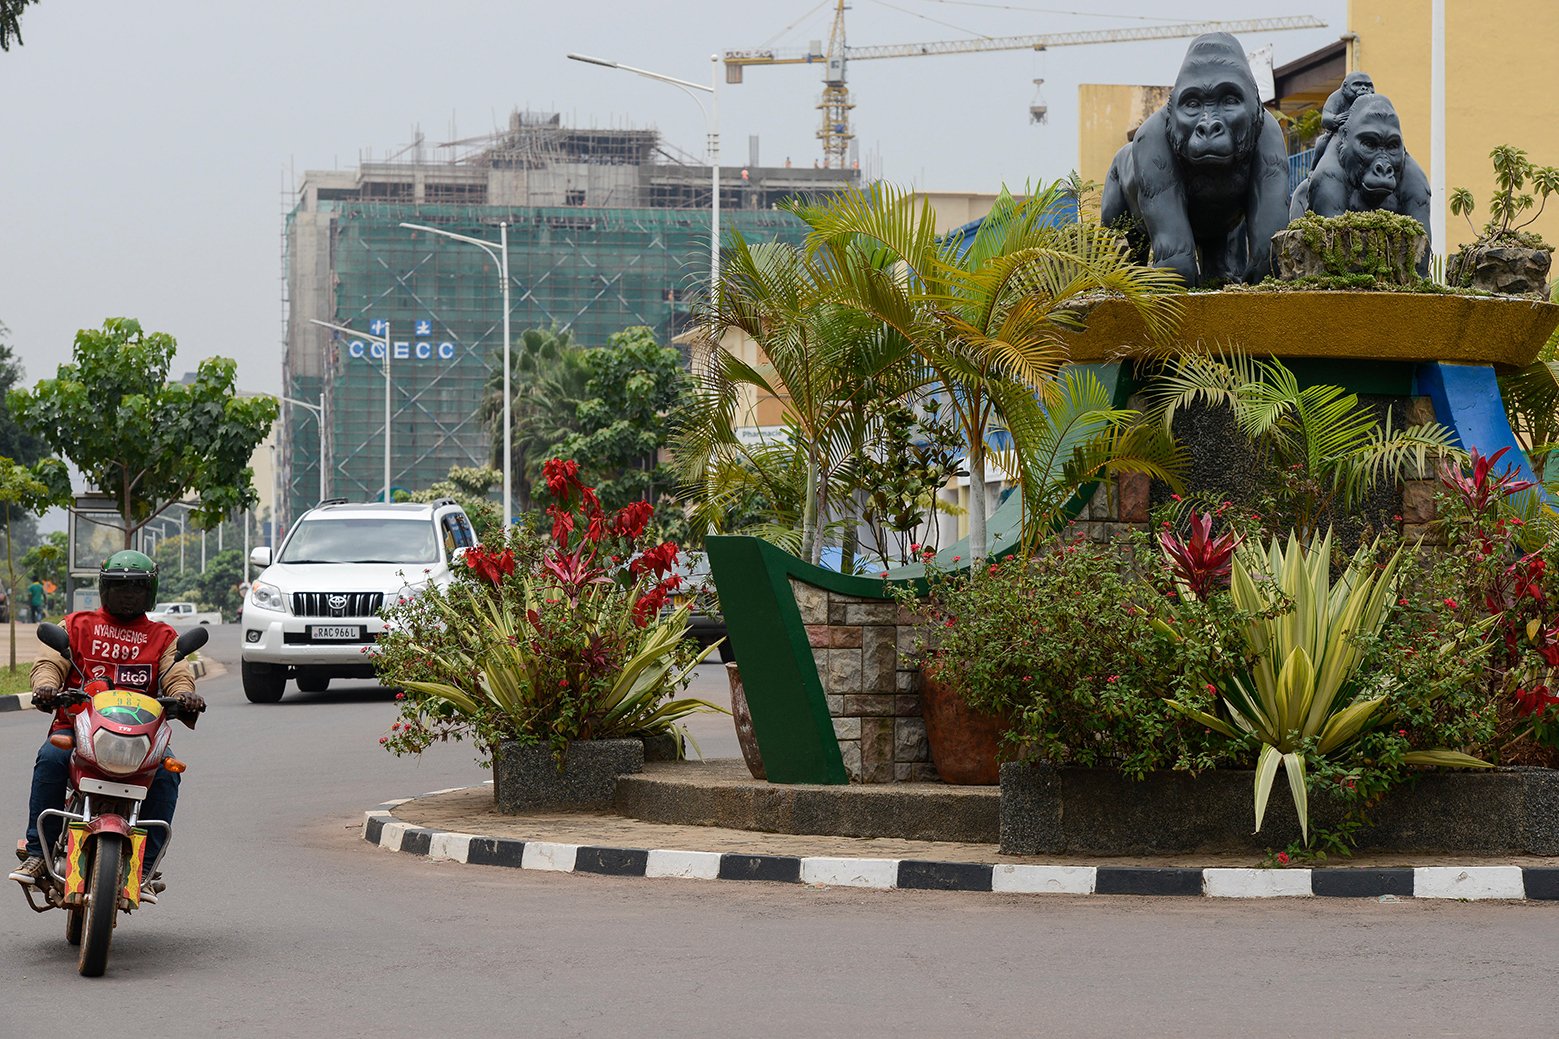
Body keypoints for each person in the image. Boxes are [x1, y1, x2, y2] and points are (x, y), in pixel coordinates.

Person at [8, 551, 204, 894]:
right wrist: (46, 686)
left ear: (151, 591)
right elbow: (50, 662)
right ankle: (37, 854)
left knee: (167, 775)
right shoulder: (78, 625)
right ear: (103, 589)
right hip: (78, 727)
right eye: (119, 588)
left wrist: (186, 694)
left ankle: (145, 867)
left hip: (140, 738)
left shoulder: (162, 636)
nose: (128, 595)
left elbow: (177, 674)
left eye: (136, 588)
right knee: (51, 759)